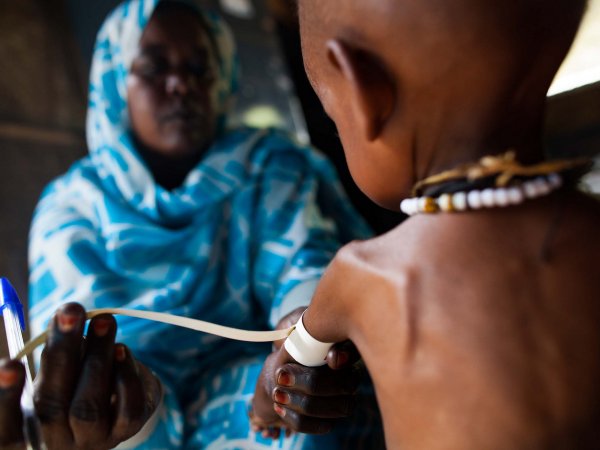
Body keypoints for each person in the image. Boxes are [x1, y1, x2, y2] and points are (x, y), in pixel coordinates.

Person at [0, 0, 385, 448]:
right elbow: (76, 366)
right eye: (154, 67)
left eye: (201, 69)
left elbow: (304, 265)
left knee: (297, 420)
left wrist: (296, 355)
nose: (181, 84)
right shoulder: (72, 205)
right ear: (114, 81)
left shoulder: (266, 165)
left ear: (223, 81)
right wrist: (121, 410)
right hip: (137, 413)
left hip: (249, 396)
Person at [251, 0, 600, 448]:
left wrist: (265, 408)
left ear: (364, 93)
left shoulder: (364, 274)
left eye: (336, 123)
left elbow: (290, 363)